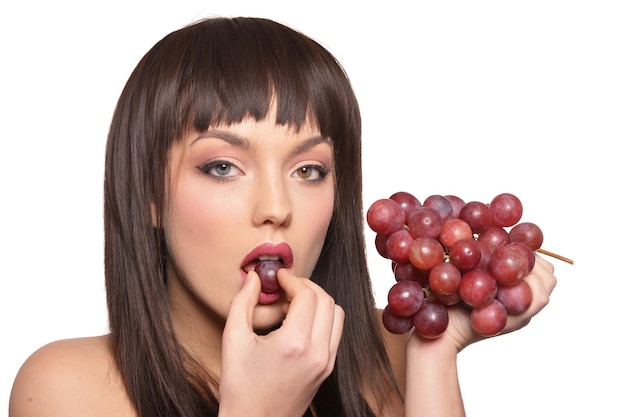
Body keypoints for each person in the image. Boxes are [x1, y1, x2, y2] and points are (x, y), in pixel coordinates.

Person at [9, 16, 557, 417]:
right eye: (223, 167)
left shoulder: (387, 353)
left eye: (309, 171)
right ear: (149, 193)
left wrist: (437, 351)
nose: (275, 208)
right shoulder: (67, 387)